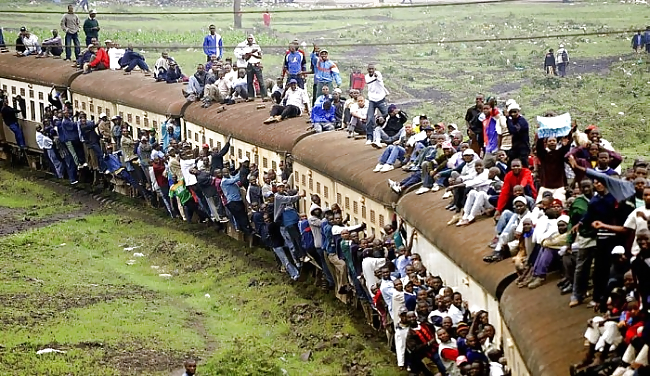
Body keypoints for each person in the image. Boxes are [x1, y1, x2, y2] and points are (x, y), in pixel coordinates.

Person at [234, 34, 268, 101]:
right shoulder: (245, 47)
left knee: (260, 81)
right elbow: (245, 58)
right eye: (248, 39)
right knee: (249, 81)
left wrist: (252, 54)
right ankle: (251, 96)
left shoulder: (257, 46)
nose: (250, 40)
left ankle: (264, 95)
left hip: (256, 64)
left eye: (251, 38)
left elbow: (260, 56)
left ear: (253, 39)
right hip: (249, 65)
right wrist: (251, 53)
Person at [364, 63, 389, 145]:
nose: (371, 70)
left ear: (375, 69)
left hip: (381, 99)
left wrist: (376, 75)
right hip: (372, 99)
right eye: (369, 69)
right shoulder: (367, 77)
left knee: (387, 115)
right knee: (370, 118)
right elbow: (370, 80)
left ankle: (385, 134)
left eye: (372, 69)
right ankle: (369, 137)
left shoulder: (378, 74)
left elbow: (377, 77)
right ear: (367, 70)